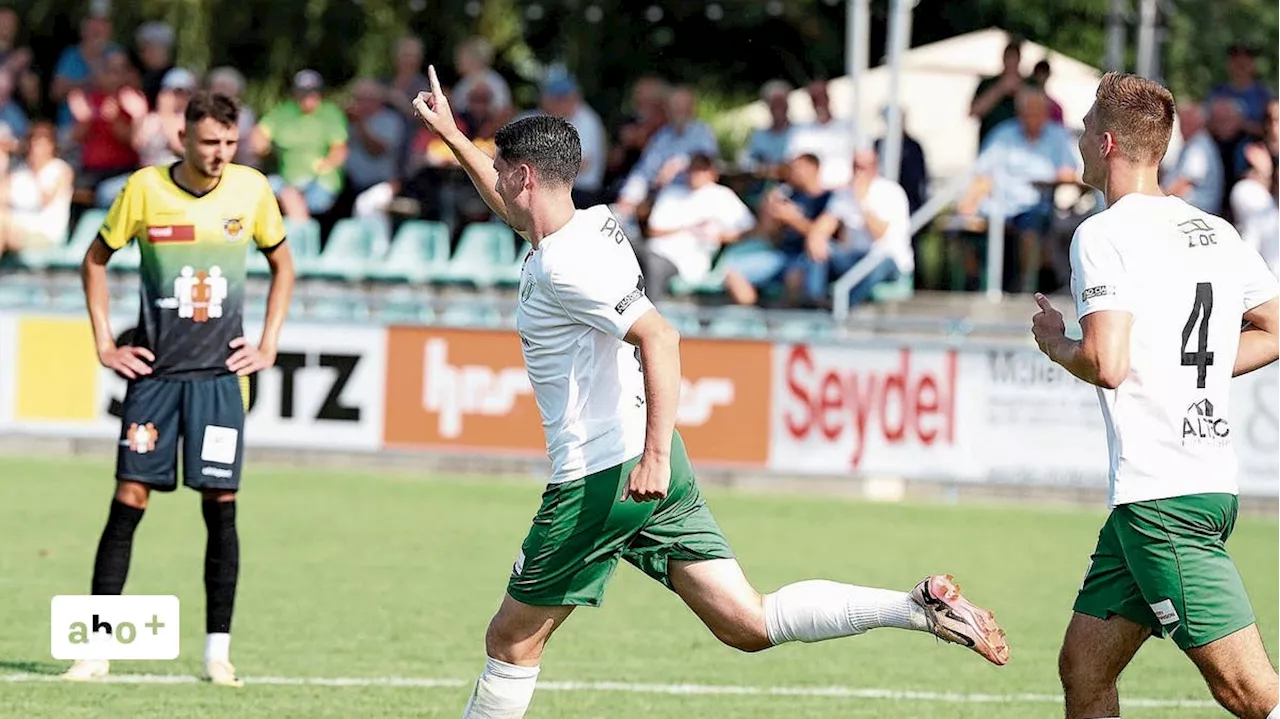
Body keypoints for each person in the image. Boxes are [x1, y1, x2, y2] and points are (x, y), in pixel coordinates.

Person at [411, 64, 1009, 719]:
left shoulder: (562, 263)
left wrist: (653, 454)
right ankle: (914, 606)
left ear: (525, 176)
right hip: (650, 474)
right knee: (746, 622)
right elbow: (517, 210)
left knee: (510, 640)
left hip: (601, 480)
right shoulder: (592, 225)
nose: (496, 180)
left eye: (502, 169)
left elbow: (660, 338)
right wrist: (452, 133)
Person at [1032, 72, 1280, 719]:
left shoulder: (1103, 233)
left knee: (1251, 694)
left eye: (1086, 128)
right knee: (1084, 666)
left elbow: (1107, 363)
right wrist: (1182, 370)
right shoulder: (1215, 231)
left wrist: (1055, 343)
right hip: (1195, 485)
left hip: (1161, 499)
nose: (1080, 140)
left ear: (1108, 142)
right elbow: (1276, 326)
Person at [61, 90, 296, 687]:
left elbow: (283, 265)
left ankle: (218, 653)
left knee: (221, 508)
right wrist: (103, 343)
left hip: (220, 381)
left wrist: (268, 343)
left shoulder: (252, 191)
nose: (220, 154)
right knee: (128, 502)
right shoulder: (143, 190)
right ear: (183, 140)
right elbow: (94, 260)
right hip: (155, 377)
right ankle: (96, 648)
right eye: (209, 143)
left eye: (229, 142)